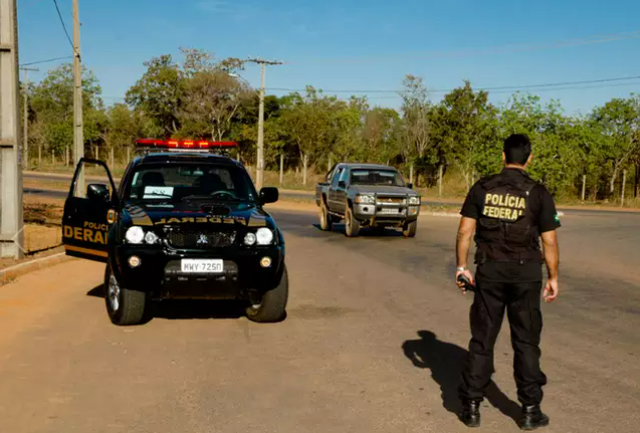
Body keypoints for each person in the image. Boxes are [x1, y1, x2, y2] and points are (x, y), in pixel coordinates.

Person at [454, 133, 560, 430]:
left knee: (482, 339)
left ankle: (471, 406)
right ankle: (530, 410)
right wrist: (553, 277)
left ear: (503, 156)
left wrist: (462, 266)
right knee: (526, 342)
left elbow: (464, 232)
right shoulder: (538, 193)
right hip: (526, 276)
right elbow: (549, 241)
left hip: (490, 273)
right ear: (530, 158)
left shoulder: (482, 188)